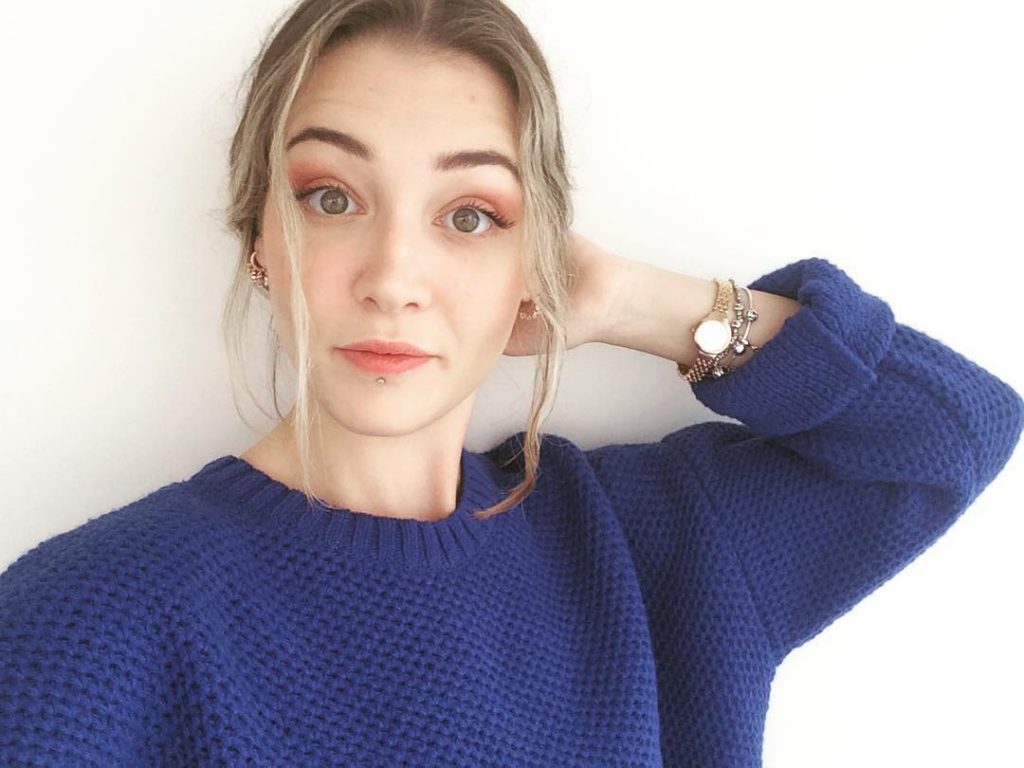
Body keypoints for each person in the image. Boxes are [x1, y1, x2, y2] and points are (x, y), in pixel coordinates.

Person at [1, 0, 1021, 766]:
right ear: (258, 237)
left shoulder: (649, 549)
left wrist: (631, 302)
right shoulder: (83, 629)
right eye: (331, 197)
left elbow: (952, 432)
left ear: (535, 262)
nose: (393, 278)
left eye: (471, 216)